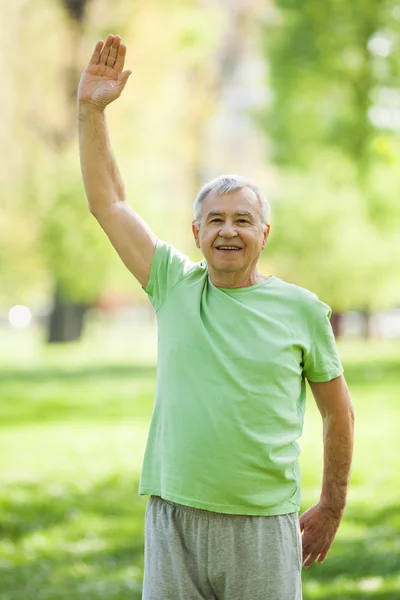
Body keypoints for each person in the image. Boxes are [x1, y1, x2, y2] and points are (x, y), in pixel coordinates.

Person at [78, 34, 355, 600]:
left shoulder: (302, 309)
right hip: (174, 516)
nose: (229, 229)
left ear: (264, 234)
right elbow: (109, 203)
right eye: (217, 219)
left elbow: (339, 414)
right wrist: (90, 111)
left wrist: (331, 504)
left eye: (243, 220)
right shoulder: (174, 285)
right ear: (197, 233)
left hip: (262, 525)